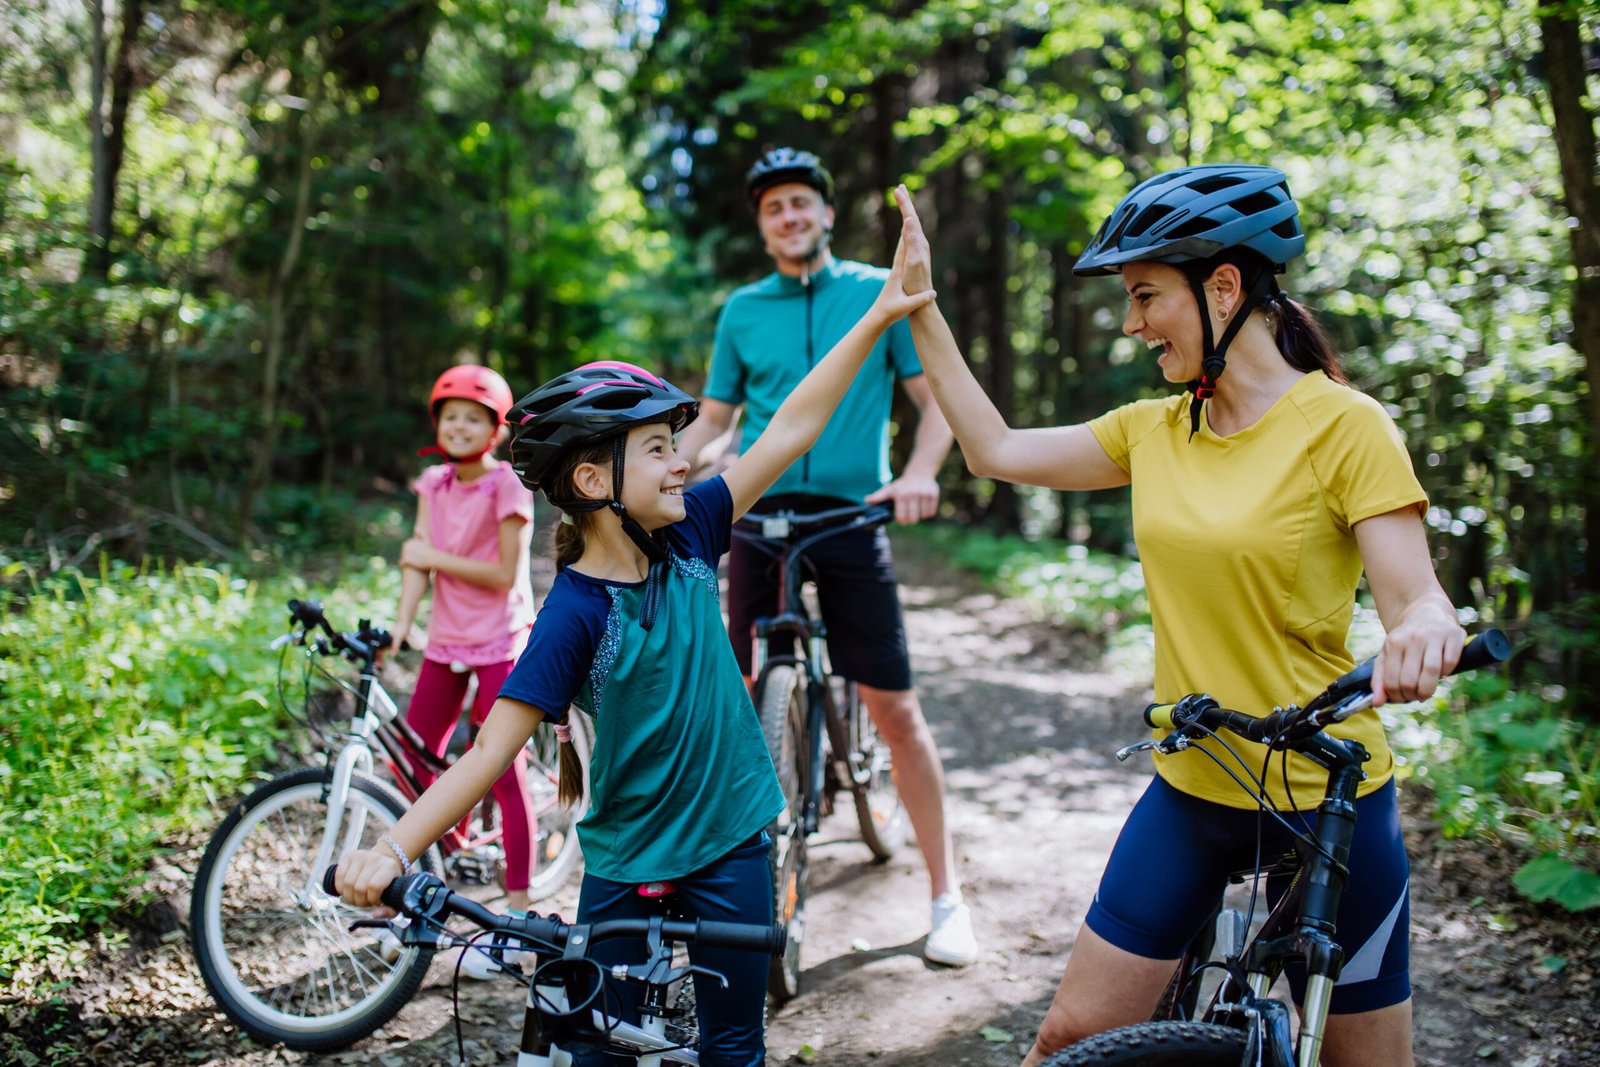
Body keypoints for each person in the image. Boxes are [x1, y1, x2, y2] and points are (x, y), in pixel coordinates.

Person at [886, 169, 1464, 1067]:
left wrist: (1425, 627)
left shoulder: (1346, 428)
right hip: (1195, 780)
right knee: (1068, 1039)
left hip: (1328, 798)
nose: (1132, 323)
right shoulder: (1154, 429)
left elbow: (1414, 595)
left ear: (1223, 287)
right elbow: (993, 448)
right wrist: (921, 308)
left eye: (1146, 295)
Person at [333, 221, 937, 1065]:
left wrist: (876, 317)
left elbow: (791, 426)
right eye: (658, 449)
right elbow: (488, 752)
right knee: (597, 1049)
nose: (681, 462)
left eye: (676, 445)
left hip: (732, 839)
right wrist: (392, 847)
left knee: (733, 1048)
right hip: (624, 859)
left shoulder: (692, 532)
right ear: (593, 480)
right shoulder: (574, 613)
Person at [674, 146, 976, 967]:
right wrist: (676, 468)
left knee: (896, 710)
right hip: (757, 515)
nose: (790, 216)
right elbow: (715, 419)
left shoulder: (875, 291)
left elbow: (935, 402)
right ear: (761, 225)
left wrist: (920, 472)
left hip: (852, 515)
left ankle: (947, 896)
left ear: (827, 213)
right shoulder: (743, 309)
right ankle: (729, 877)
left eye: (801, 202)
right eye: (774, 207)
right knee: (742, 694)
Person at [386, 364, 538, 978]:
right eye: (450, 417)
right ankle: (415, 894)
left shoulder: (508, 487)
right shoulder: (433, 484)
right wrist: (401, 626)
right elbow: (416, 562)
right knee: (412, 762)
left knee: (502, 771)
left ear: (495, 430)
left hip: (501, 639)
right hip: (446, 640)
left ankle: (520, 915)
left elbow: (502, 574)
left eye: (473, 418)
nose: (459, 426)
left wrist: (432, 555)